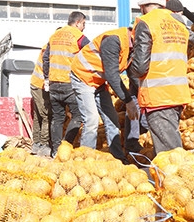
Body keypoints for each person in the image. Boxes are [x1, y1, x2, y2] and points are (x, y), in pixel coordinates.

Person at [128, 0, 192, 155]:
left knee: (170, 156)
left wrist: (130, 67)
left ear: (142, 6)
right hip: (178, 94)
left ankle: (176, 182)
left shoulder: (146, 23)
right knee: (171, 147)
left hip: (158, 98)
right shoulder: (179, 22)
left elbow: (140, 67)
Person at [70, 27, 139, 164]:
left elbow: (132, 73)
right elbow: (112, 76)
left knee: (112, 119)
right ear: (135, 34)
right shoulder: (113, 40)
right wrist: (128, 101)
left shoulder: (131, 47)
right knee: (91, 120)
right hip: (83, 77)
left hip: (98, 81)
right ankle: (85, 161)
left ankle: (118, 158)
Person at [43, 11, 89, 157]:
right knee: (78, 116)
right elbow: (91, 54)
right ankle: (66, 145)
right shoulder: (78, 36)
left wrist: (46, 78)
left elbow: (46, 58)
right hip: (70, 84)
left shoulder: (54, 35)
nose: (84, 27)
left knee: (57, 118)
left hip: (54, 84)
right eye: (83, 24)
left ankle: (55, 150)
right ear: (77, 23)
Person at [29, 44, 52, 156]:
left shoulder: (47, 47)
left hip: (36, 84)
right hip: (40, 86)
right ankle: (44, 145)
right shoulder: (50, 48)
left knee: (38, 116)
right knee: (45, 115)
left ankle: (36, 144)